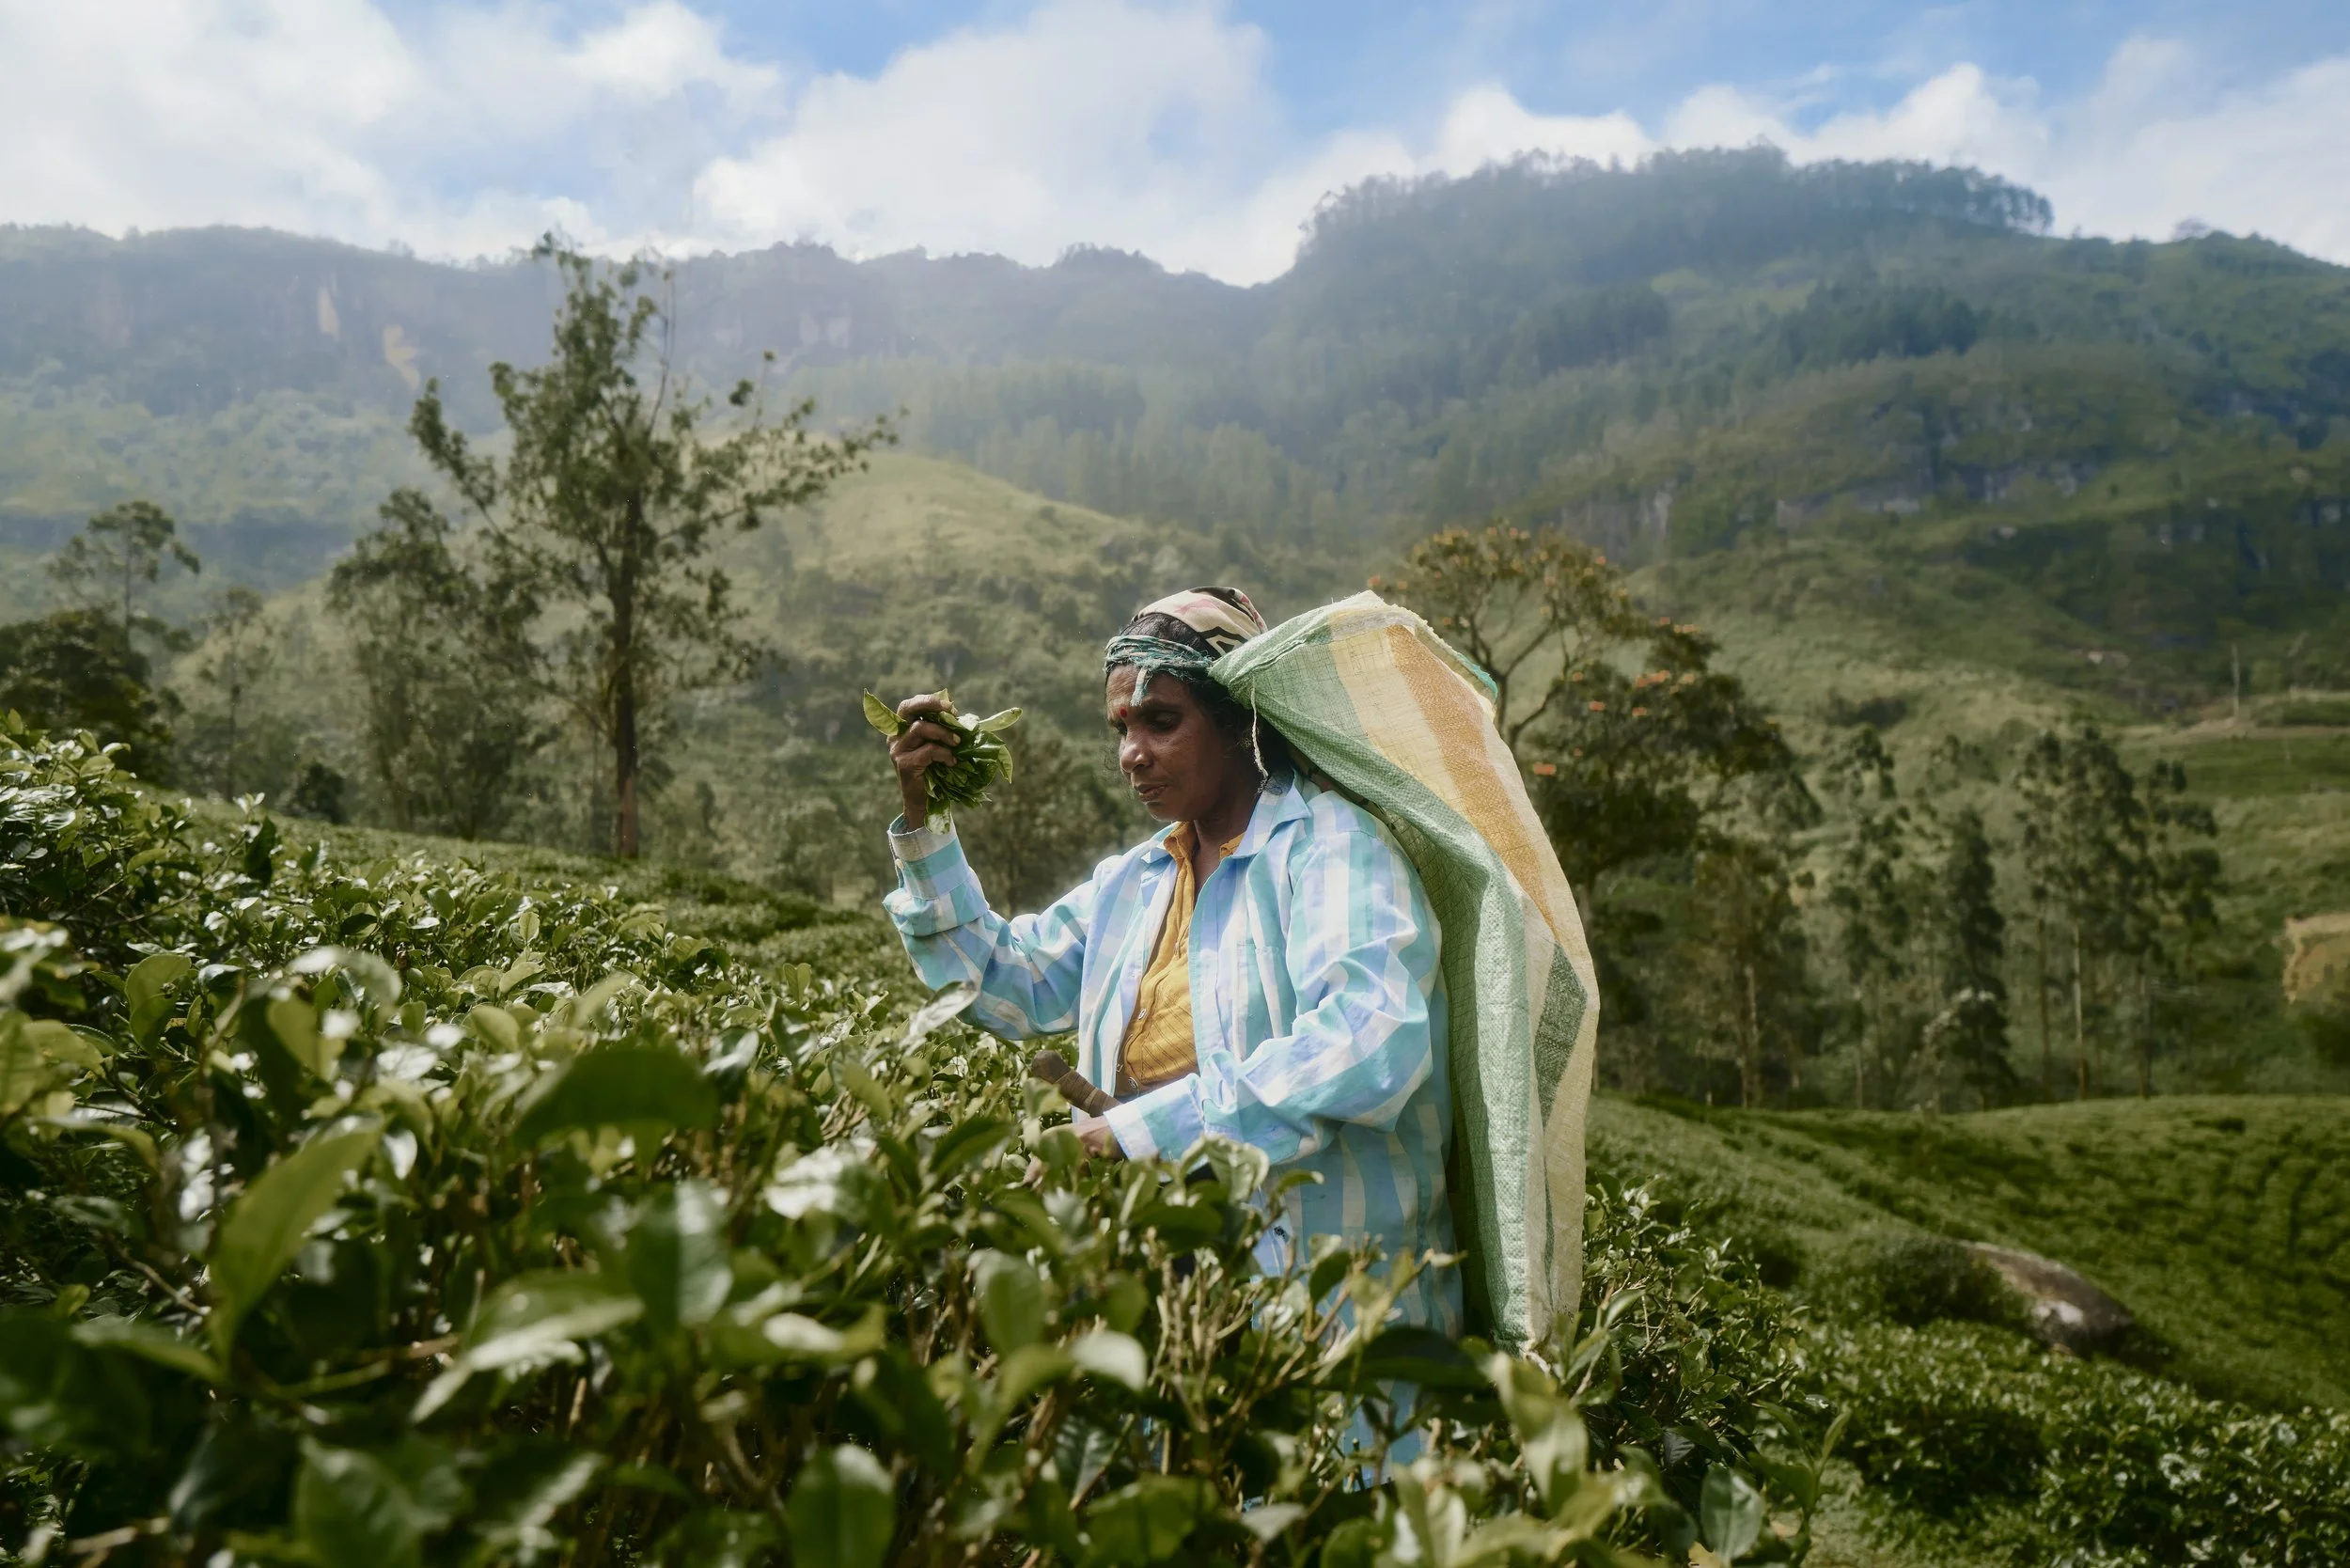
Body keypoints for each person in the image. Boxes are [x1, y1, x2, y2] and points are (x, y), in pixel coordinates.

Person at [880, 588, 1461, 1340]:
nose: (1132, 753)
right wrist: (924, 814)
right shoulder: (1138, 880)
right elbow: (1004, 982)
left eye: (1161, 722)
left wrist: (1143, 1128)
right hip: (1160, 1284)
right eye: (1122, 727)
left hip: (1321, 1304)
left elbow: (1369, 1038)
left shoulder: (1333, 849)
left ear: (1238, 720)